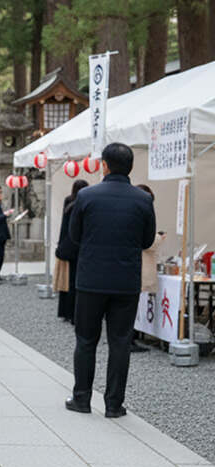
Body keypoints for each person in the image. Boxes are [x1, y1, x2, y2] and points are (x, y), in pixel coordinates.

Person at [65, 142, 155, 418]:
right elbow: (147, 240)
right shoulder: (142, 200)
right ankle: (114, 404)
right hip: (126, 281)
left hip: (91, 278)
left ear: (104, 164)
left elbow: (75, 236)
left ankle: (81, 398)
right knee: (120, 341)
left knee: (86, 340)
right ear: (130, 167)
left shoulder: (87, 196)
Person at [132, 183, 166, 352]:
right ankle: (130, 339)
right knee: (133, 305)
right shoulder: (143, 212)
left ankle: (131, 338)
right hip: (141, 264)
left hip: (131, 265)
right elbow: (147, 243)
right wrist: (159, 238)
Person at [55, 179, 88, 323]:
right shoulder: (82, 205)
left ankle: (65, 312)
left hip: (67, 245)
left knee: (66, 281)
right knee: (76, 281)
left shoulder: (68, 201)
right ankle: (75, 314)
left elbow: (64, 226)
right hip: (78, 247)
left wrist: (60, 243)